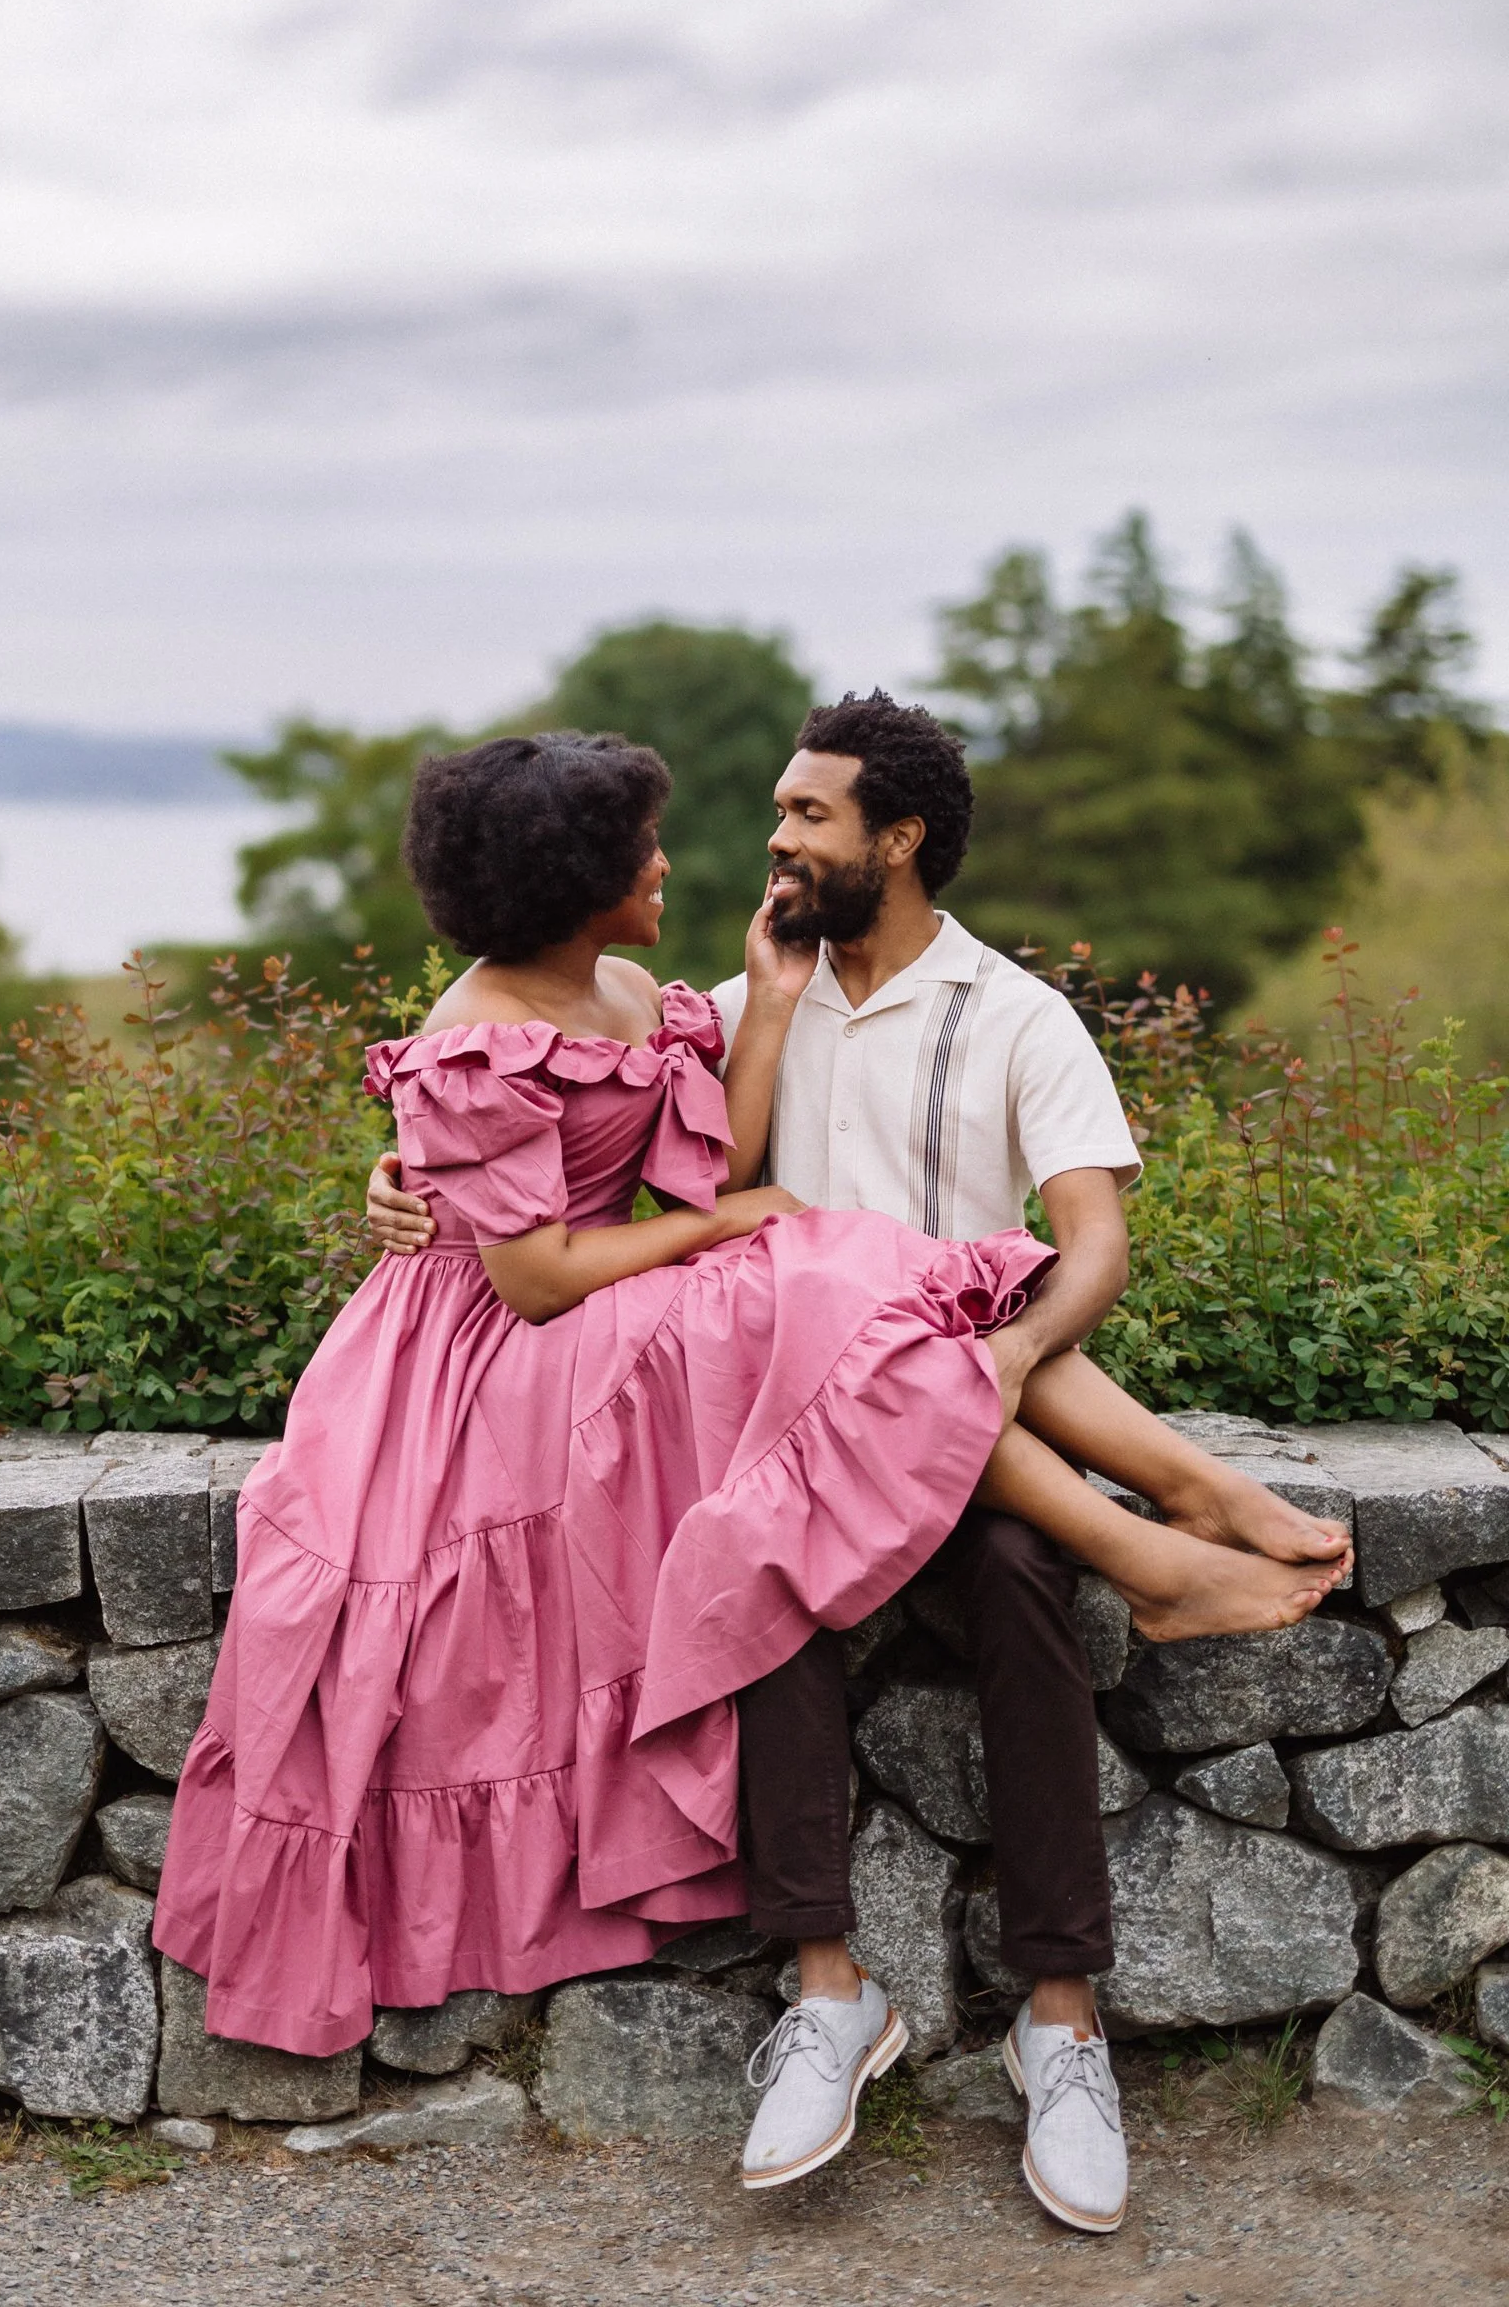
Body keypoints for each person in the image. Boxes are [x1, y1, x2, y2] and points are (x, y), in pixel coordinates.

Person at [363, 695, 1350, 2235]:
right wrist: (413, 1181)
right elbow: (629, 1160)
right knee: (754, 1568)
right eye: (773, 811)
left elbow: (1091, 1248)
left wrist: (1002, 1367)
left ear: (896, 840)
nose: (771, 840)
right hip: (794, 1431)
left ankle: (1063, 2020)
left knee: (1031, 1573)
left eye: (809, 816)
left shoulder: (1016, 1012)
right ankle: (829, 1994)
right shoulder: (740, 988)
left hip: (993, 1420)